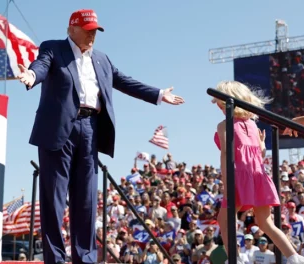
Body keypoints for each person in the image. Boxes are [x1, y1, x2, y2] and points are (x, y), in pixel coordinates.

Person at [17, 9, 185, 264]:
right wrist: (30, 76)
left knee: (86, 200)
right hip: (58, 129)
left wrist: (159, 94)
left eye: (95, 30)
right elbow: (40, 67)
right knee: (54, 199)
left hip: (90, 129)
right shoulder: (52, 48)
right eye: (88, 30)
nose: (92, 35)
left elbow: (124, 81)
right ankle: (55, 259)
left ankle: (85, 258)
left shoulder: (102, 59)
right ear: (71, 29)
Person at [211, 81, 304, 264]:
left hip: (238, 175)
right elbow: (259, 154)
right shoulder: (253, 127)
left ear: (226, 102)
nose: (216, 105)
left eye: (218, 101)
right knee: (266, 223)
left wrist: (226, 181)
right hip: (258, 174)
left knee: (224, 219)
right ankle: (296, 258)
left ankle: (236, 259)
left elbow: (226, 154)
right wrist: (263, 146)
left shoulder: (224, 125)